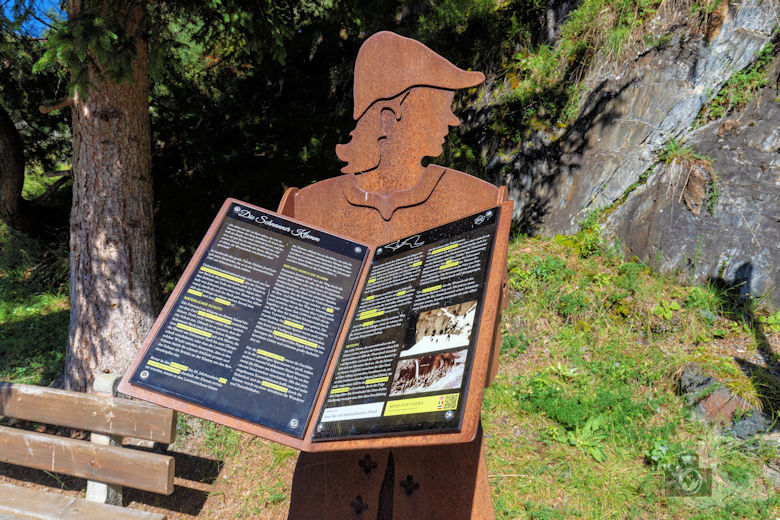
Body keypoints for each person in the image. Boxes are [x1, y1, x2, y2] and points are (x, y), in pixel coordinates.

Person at [278, 31, 505, 243]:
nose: (453, 120)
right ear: (388, 117)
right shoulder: (310, 207)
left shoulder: (474, 199)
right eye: (439, 108)